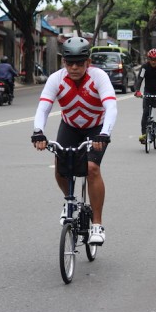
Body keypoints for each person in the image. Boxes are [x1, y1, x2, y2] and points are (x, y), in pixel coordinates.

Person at [30, 37, 117, 246]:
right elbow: (43, 107)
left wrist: (104, 134)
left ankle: (97, 224)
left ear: (88, 62)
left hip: (96, 128)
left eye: (80, 62)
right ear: (64, 63)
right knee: (60, 167)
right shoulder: (56, 79)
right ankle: (69, 200)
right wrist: (38, 131)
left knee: (92, 168)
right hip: (70, 127)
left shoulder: (99, 77)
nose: (75, 67)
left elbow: (111, 107)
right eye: (70, 63)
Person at [134, 48, 156, 144]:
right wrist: (137, 91)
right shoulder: (144, 67)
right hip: (148, 91)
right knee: (145, 113)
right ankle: (144, 135)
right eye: (151, 59)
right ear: (148, 59)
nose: (153, 62)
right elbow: (139, 79)